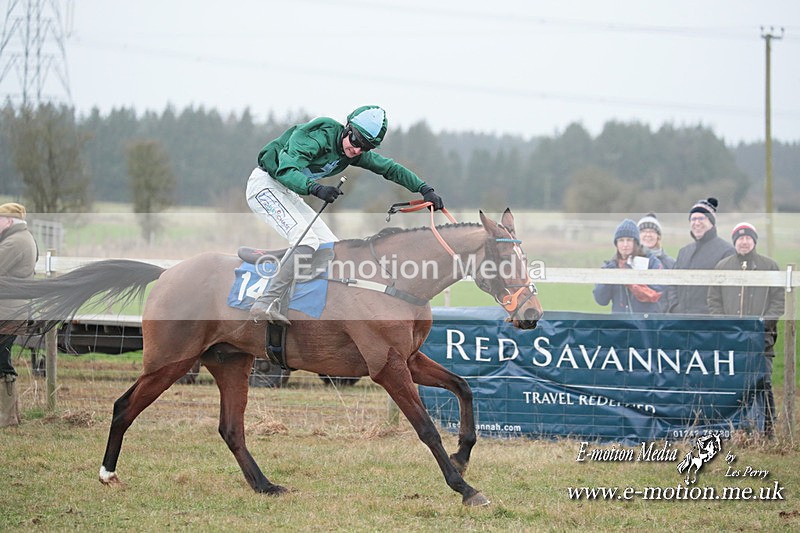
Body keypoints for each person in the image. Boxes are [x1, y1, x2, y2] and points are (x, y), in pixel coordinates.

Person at [245, 105, 444, 325]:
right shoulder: (317, 137)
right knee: (306, 239)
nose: (357, 150)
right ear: (347, 128)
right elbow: (285, 170)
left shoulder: (352, 151)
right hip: (265, 186)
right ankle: (266, 301)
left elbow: (390, 168)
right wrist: (316, 188)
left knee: (332, 247)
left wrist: (424, 188)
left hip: (288, 191)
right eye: (356, 141)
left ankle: (298, 296)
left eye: (365, 147)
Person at [708, 223, 784, 437]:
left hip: (762, 339)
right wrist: (725, 326)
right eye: (740, 239)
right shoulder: (722, 267)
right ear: (734, 242)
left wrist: (762, 326)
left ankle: (767, 429)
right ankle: (733, 428)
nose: (744, 242)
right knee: (731, 383)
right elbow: (714, 299)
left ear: (754, 241)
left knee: (763, 382)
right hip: (730, 338)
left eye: (748, 238)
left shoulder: (769, 266)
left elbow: (778, 301)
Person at [0, 202, 38, 427]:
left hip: (7, 312)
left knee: (2, 361)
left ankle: (7, 417)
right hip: (10, 311)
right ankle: (10, 415)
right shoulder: (20, 238)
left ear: (8, 221)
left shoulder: (14, 242)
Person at [665, 197, 734, 314]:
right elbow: (673, 283)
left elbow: (729, 292)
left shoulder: (726, 251)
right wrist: (675, 307)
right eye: (693, 219)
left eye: (701, 218)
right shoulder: (684, 252)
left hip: (709, 321)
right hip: (682, 320)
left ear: (711, 222)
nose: (697, 223)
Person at [593, 219, 664, 313]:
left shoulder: (651, 262)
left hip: (646, 319)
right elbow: (601, 300)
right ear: (616, 244)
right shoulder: (610, 266)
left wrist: (633, 282)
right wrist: (608, 277)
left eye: (629, 240)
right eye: (621, 240)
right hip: (619, 320)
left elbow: (658, 292)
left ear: (636, 242)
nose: (625, 245)